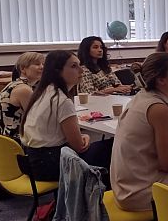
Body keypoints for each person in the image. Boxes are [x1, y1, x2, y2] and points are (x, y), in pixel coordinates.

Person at [110, 53, 168, 211]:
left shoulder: (141, 98)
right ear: (161, 80)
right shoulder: (160, 109)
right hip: (139, 193)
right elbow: (167, 165)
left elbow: (145, 135)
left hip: (123, 188)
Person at [21, 51, 111, 181]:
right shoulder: (62, 101)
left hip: (32, 160)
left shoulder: (42, 92)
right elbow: (79, 147)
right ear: (58, 71)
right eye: (74, 66)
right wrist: (84, 136)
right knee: (111, 147)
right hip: (50, 165)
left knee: (101, 148)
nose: (81, 70)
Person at [0, 52, 45, 145]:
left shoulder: (14, 84)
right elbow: (38, 120)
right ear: (23, 69)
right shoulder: (24, 90)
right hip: (13, 144)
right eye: (37, 64)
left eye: (43, 64)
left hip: (1, 142)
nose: (42, 67)